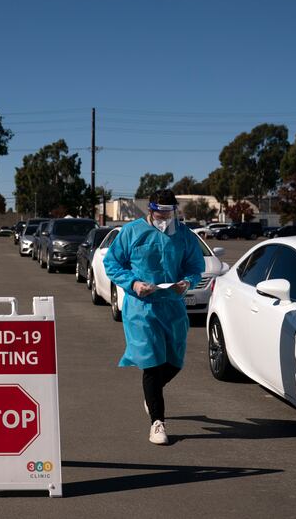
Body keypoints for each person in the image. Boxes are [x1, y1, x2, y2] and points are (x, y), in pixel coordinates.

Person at [103, 189, 205, 445]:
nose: (165, 218)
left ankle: (151, 395)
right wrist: (133, 283)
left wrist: (188, 282)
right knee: (152, 362)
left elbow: (195, 266)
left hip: (172, 307)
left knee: (174, 361)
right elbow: (113, 263)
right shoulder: (132, 232)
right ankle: (157, 423)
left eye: (170, 214)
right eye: (160, 213)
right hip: (142, 308)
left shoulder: (183, 235)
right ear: (150, 210)